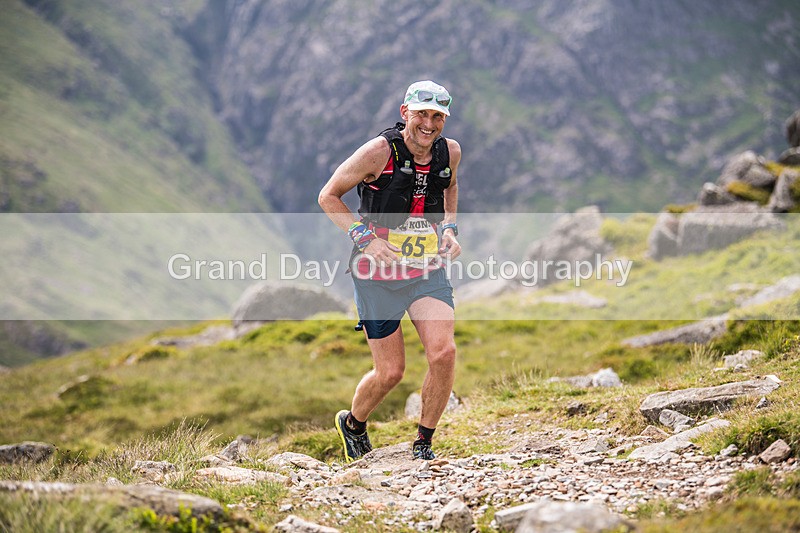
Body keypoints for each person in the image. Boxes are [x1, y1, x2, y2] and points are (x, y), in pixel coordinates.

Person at [318, 80, 462, 461]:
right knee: (390, 373)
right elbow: (328, 196)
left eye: (437, 117)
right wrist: (365, 238)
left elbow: (450, 187)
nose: (428, 125)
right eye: (421, 115)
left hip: (426, 269)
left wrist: (449, 227)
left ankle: (423, 444)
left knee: (443, 352)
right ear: (405, 114)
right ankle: (353, 424)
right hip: (376, 275)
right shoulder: (378, 152)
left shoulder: (450, 152)